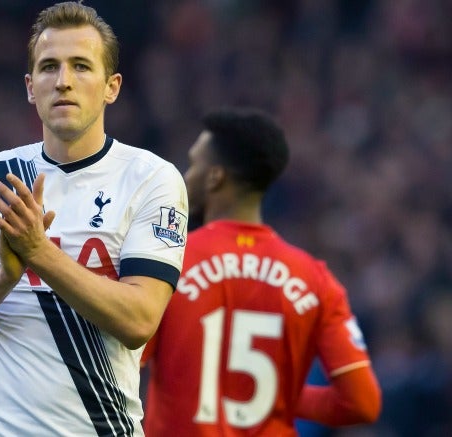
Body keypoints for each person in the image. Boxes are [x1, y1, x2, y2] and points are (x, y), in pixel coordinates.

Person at [0, 2, 188, 435]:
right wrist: (2, 279)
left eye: (81, 66)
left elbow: (139, 320)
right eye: (49, 68)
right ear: (30, 86)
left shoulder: (152, 178)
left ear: (111, 86)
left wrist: (38, 253)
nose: (63, 81)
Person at [141, 108, 382, 436]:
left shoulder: (170, 260)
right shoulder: (315, 280)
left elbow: (122, 368)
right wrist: (273, 395)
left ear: (215, 177)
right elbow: (362, 403)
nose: (187, 175)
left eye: (194, 163)